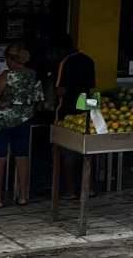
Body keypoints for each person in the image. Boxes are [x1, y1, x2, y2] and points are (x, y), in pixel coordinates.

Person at [0, 44, 43, 209]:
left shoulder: (6, 76)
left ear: (10, 59)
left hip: (2, 122)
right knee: (22, 157)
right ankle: (23, 196)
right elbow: (38, 98)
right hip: (24, 121)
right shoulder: (32, 75)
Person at [53, 34, 96, 200]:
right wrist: (89, 112)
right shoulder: (89, 60)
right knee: (88, 152)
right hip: (87, 109)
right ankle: (89, 188)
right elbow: (92, 88)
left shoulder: (65, 62)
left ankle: (70, 191)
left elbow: (60, 90)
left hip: (68, 112)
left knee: (68, 152)